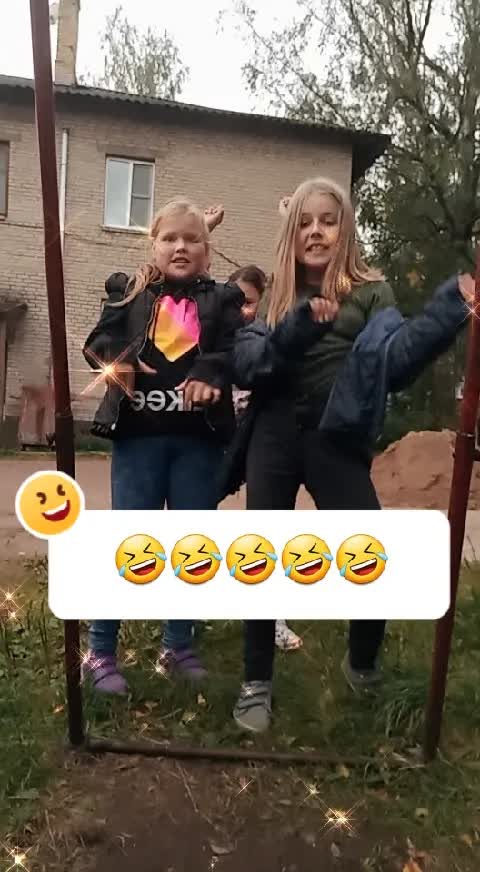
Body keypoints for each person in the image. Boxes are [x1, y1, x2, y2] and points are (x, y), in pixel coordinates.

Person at [225, 176, 474, 732]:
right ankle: (256, 682)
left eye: (328, 221)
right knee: (261, 555)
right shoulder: (278, 296)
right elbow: (252, 365)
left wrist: (447, 310)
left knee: (369, 553)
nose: (316, 231)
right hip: (273, 432)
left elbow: (396, 361)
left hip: (333, 435)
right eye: (305, 222)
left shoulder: (371, 293)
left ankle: (362, 664)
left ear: (346, 230)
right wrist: (297, 326)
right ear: (291, 233)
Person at [82, 199, 244, 694]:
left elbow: (236, 350)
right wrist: (123, 358)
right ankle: (100, 650)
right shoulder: (131, 295)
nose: (180, 247)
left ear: (207, 253)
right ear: (152, 246)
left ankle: (178, 645)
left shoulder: (221, 300)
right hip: (139, 441)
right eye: (170, 238)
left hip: (199, 445)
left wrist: (210, 371)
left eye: (192, 240)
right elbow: (97, 343)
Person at [229, 263, 303, 653]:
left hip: (253, 440)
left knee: (267, 528)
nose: (243, 310)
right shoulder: (209, 331)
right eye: (237, 300)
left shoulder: (262, 337)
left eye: (250, 303)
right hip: (211, 444)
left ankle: (272, 619)